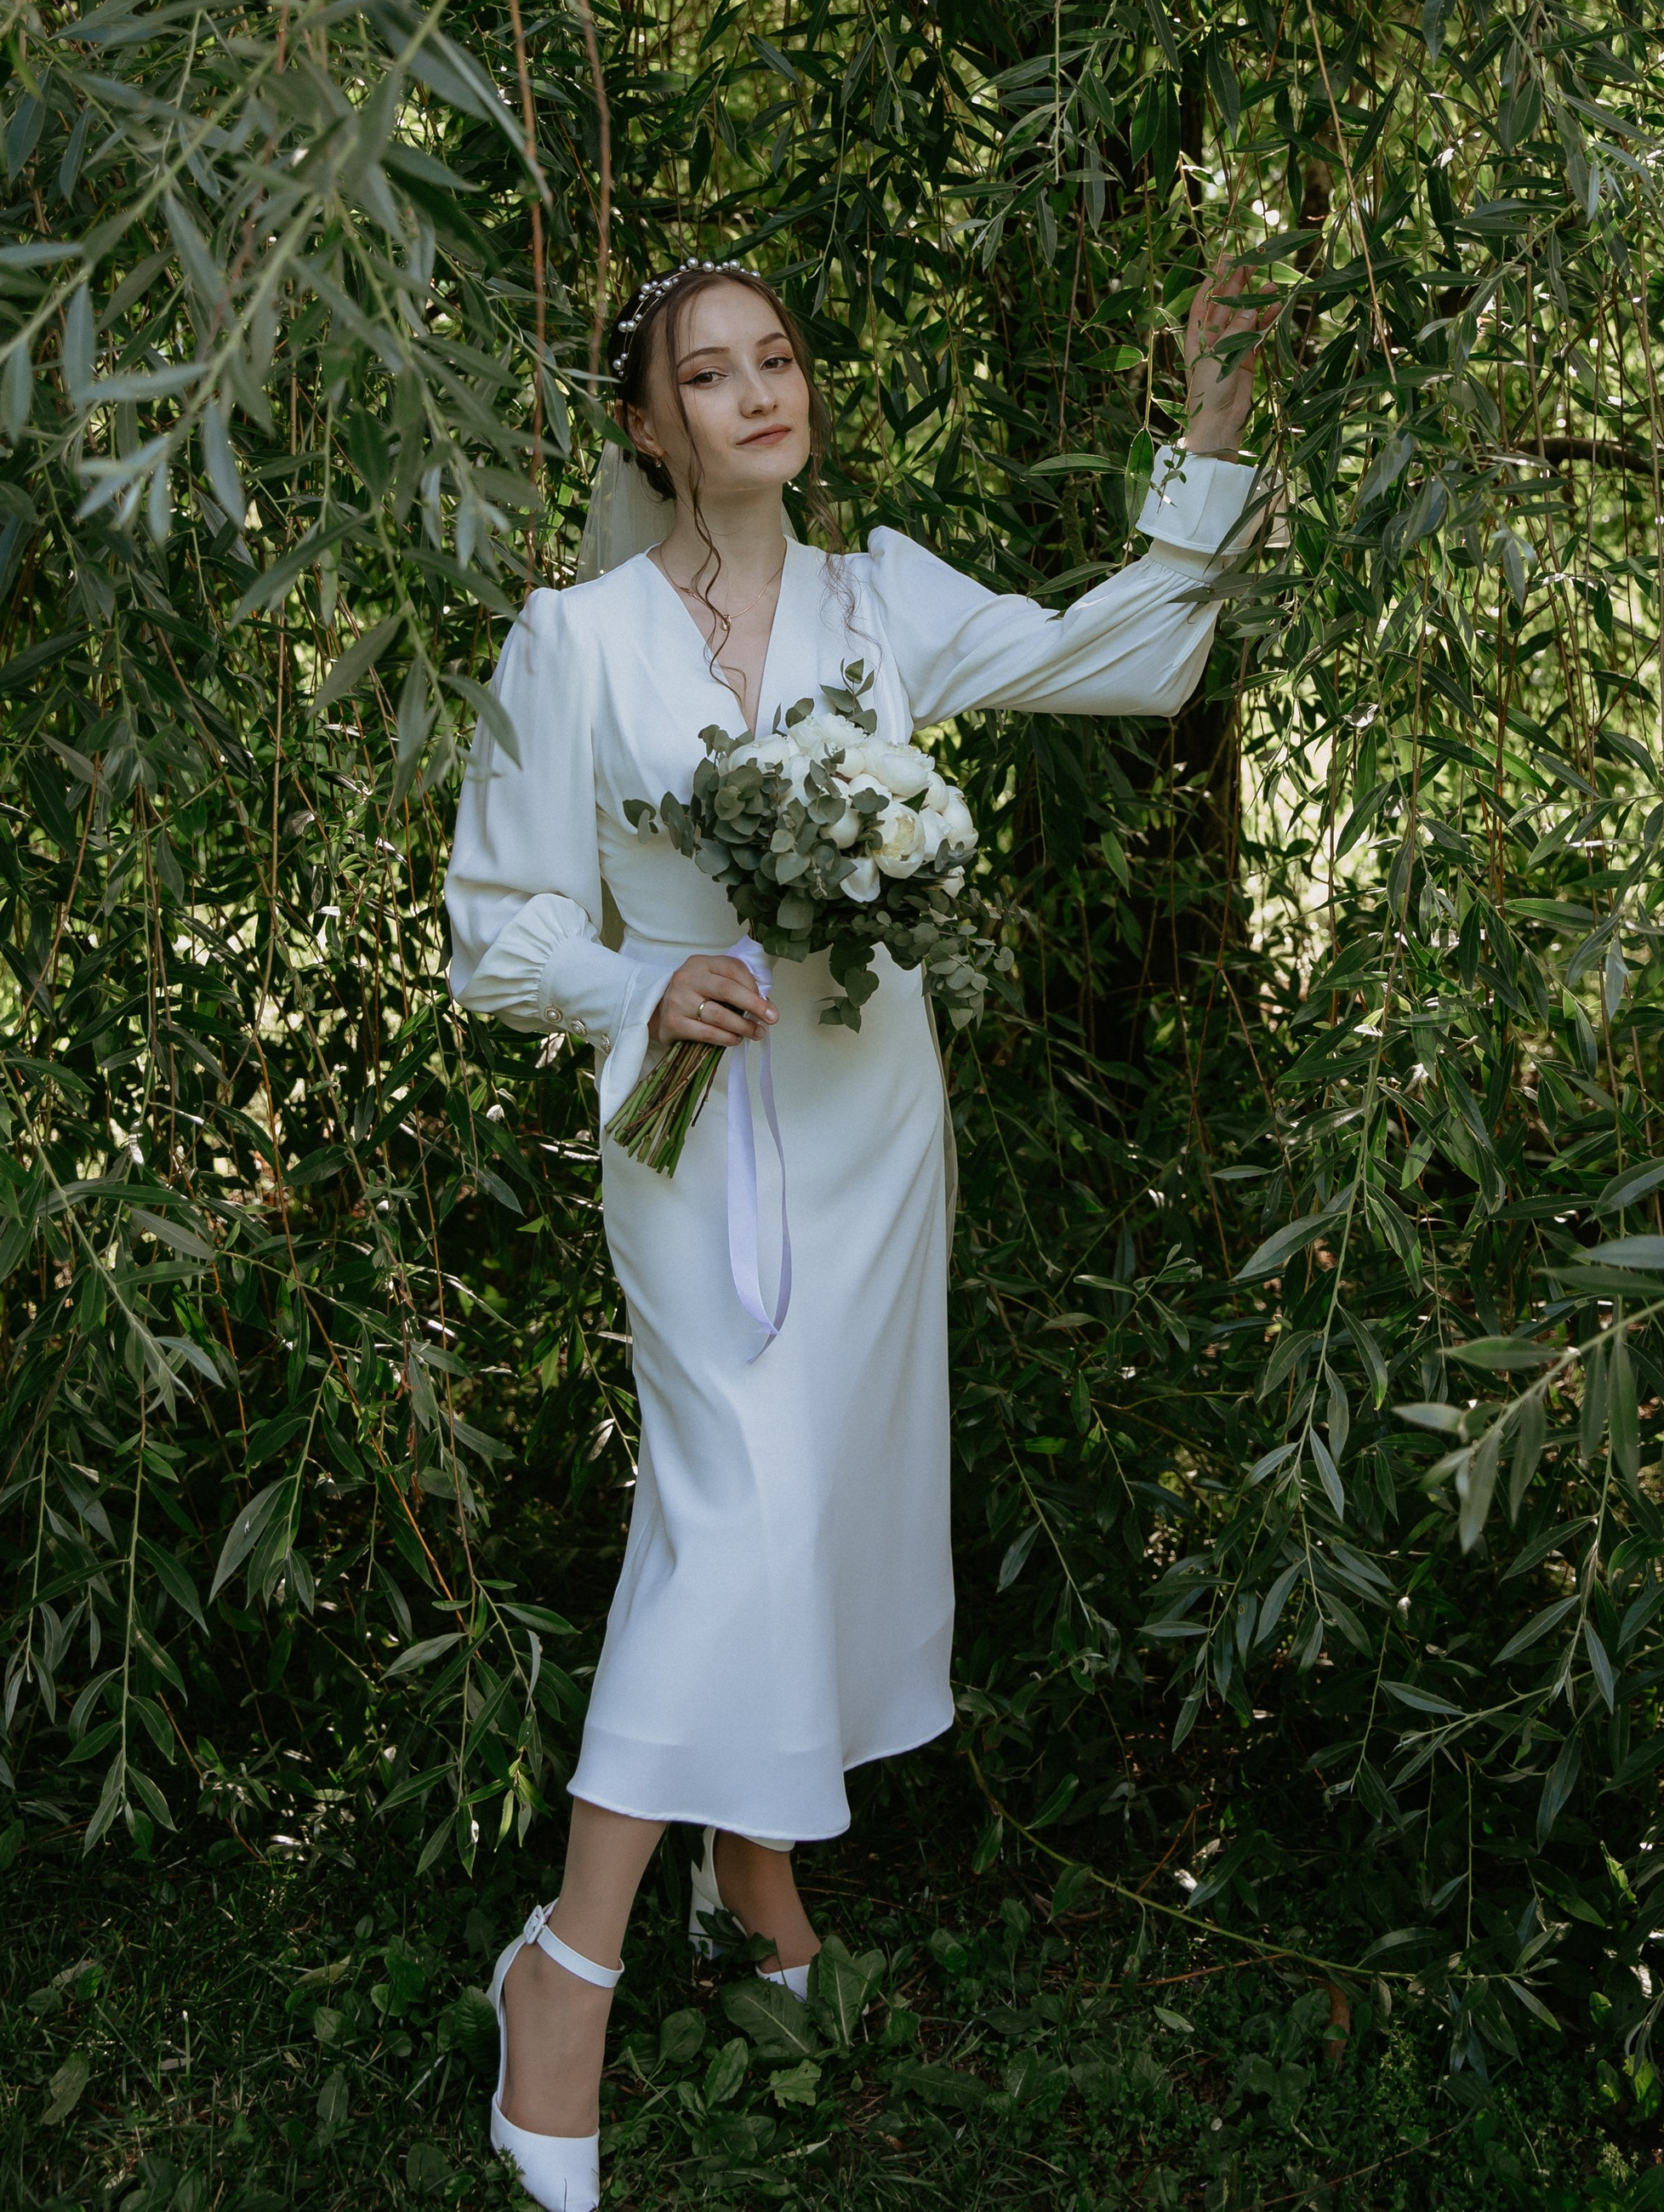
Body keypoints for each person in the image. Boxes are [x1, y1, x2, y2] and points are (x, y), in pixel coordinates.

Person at [443, 250, 1271, 2209]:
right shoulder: (571, 644)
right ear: (645, 425)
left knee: (805, 1503)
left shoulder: (876, 599)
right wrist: (633, 991)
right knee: (732, 1503)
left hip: (868, 1118)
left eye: (777, 359)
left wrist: (1211, 440)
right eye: (706, 374)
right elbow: (495, 923)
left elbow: (1132, 653)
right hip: (691, 1129)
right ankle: (564, 1973)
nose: (755, 395)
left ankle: (759, 1879)